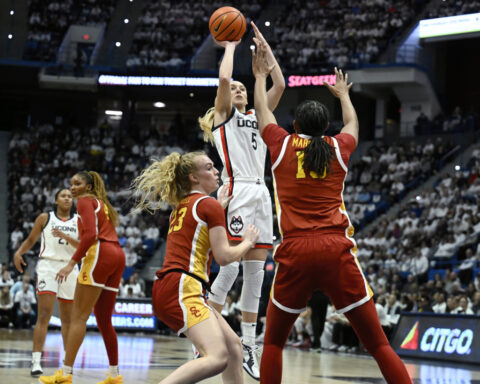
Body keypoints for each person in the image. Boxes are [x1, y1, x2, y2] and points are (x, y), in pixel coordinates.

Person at [252, 39, 412, 384]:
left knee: (274, 344)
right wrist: (343, 96)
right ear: (327, 128)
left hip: (295, 251)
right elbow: (352, 124)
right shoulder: (339, 148)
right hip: (336, 249)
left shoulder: (280, 146)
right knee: (379, 345)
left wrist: (259, 76)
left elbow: (262, 109)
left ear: (294, 126)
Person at [197, 21, 284, 380]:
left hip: (262, 193)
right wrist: (231, 46)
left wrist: (265, 49)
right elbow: (221, 81)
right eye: (233, 87)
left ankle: (248, 345)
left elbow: (279, 84)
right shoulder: (223, 119)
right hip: (237, 190)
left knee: (255, 275)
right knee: (230, 267)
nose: (237, 89)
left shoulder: (259, 117)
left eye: (242, 87)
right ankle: (204, 333)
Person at [132, 151, 260, 383]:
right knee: (218, 357)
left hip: (176, 285)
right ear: (194, 177)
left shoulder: (184, 206)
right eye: (209, 167)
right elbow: (223, 257)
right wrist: (247, 243)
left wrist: (218, 209)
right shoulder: (208, 205)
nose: (216, 171)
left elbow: (198, 231)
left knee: (233, 347)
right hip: (183, 287)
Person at [39, 171, 125, 384]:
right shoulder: (100, 204)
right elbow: (87, 240)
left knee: (78, 317)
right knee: (104, 319)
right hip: (116, 255)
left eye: (77, 183)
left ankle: (65, 374)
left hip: (100, 254)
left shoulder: (85, 201)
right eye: (71, 184)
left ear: (88, 186)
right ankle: (115, 375)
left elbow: (91, 237)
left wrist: (70, 264)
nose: (73, 187)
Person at [13, 188, 79, 376]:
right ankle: (35, 362)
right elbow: (32, 239)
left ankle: (67, 364)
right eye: (63, 196)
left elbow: (84, 245)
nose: (67, 198)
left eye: (69, 196)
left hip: (70, 267)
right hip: (48, 267)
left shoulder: (79, 220)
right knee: (44, 315)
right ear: (56, 200)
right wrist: (19, 252)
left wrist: (65, 236)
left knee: (68, 319)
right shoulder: (45, 218)